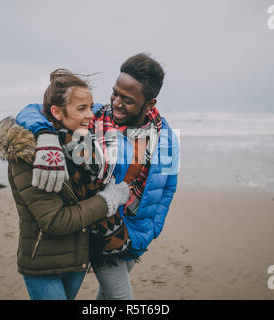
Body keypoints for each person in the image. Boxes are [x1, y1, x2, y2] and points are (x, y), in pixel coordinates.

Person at [15, 53, 180, 300]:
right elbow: (33, 111)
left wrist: (154, 228)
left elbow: (168, 187)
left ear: (150, 103)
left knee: (107, 296)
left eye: (128, 99)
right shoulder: (94, 119)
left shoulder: (166, 137)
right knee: (122, 299)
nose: (116, 102)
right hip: (104, 230)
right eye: (115, 93)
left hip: (138, 235)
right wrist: (45, 135)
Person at [0, 69, 130, 300]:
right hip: (44, 266)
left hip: (76, 262)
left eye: (90, 107)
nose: (90, 115)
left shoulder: (82, 147)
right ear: (56, 111)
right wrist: (108, 200)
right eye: (81, 109)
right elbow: (55, 221)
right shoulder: (32, 154)